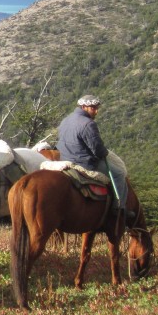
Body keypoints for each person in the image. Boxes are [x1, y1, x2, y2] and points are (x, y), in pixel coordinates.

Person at [56, 95, 135, 226]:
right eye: (93, 108)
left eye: (97, 108)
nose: (96, 111)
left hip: (64, 158)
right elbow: (98, 150)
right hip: (84, 163)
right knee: (119, 174)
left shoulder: (66, 120)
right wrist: (104, 153)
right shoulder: (88, 124)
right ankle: (119, 207)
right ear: (83, 107)